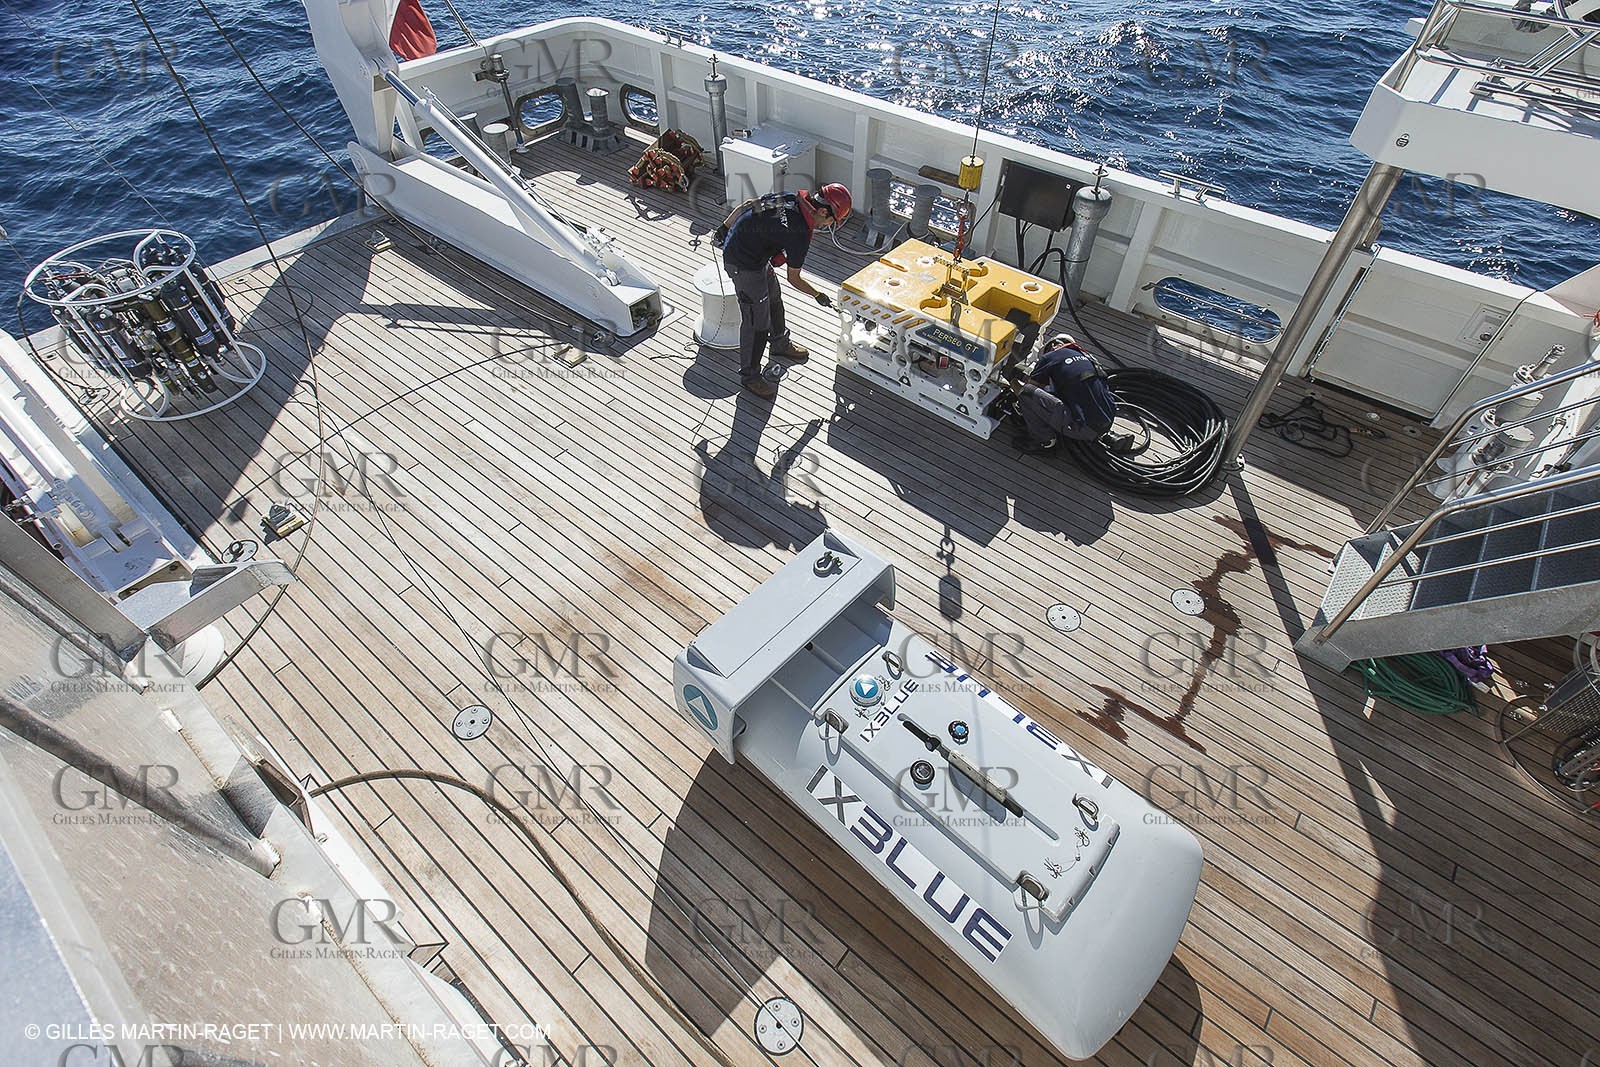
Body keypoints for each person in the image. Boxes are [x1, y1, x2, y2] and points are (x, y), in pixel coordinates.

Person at [714, 183, 852, 397]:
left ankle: (779, 343)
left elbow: (748, 205)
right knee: (757, 323)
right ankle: (750, 376)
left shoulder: (790, 198)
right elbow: (794, 278)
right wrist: (818, 295)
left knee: (774, 299)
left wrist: (724, 227)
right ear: (824, 212)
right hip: (742, 263)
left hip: (758, 256)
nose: (828, 226)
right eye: (831, 221)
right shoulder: (800, 233)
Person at [1004, 334, 1118, 454]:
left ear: (1053, 346)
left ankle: (1044, 442)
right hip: (1108, 418)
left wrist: (1011, 378)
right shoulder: (1088, 358)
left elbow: (1031, 389)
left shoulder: (1050, 356)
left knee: (1027, 393)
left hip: (1083, 428)